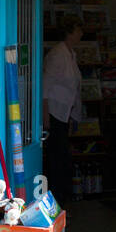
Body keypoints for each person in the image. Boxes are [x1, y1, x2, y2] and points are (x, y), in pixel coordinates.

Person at [42, 16, 83, 206]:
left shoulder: (70, 53)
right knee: (57, 157)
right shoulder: (57, 55)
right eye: (78, 31)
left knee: (63, 156)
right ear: (70, 32)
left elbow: (74, 86)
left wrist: (75, 114)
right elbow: (46, 86)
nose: (80, 34)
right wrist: (45, 115)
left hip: (64, 112)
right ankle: (56, 198)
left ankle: (62, 197)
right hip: (54, 113)